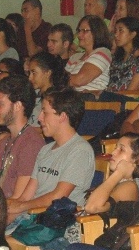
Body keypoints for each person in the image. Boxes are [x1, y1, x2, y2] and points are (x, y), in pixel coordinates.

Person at [8, 89, 94, 220]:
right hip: (30, 218)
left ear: (62, 116)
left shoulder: (80, 151)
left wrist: (21, 207)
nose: (39, 118)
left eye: (45, 113)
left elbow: (58, 197)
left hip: (55, 222)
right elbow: (25, 197)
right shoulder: (45, 150)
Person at [0, 75, 46, 199]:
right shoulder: (4, 142)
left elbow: (19, 200)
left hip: (13, 215)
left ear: (18, 106)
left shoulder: (31, 144)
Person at [83, 133, 139, 214]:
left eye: (121, 149)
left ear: (137, 160)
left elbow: (91, 207)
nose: (113, 152)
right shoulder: (116, 181)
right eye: (115, 148)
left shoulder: (129, 186)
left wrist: (119, 173)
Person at [66, 15, 112, 99]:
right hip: (72, 98)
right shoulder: (75, 57)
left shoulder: (103, 52)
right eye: (79, 31)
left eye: (84, 31)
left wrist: (62, 79)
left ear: (97, 32)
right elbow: (63, 82)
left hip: (92, 102)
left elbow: (80, 80)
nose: (79, 35)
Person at [106, 17, 139, 93]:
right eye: (115, 31)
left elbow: (131, 91)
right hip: (109, 99)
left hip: (126, 101)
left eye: (120, 31)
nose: (116, 35)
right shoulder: (117, 57)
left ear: (133, 34)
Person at [26, 52, 66, 126]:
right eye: (29, 73)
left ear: (48, 73)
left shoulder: (56, 98)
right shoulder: (31, 94)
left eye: (34, 73)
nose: (30, 78)